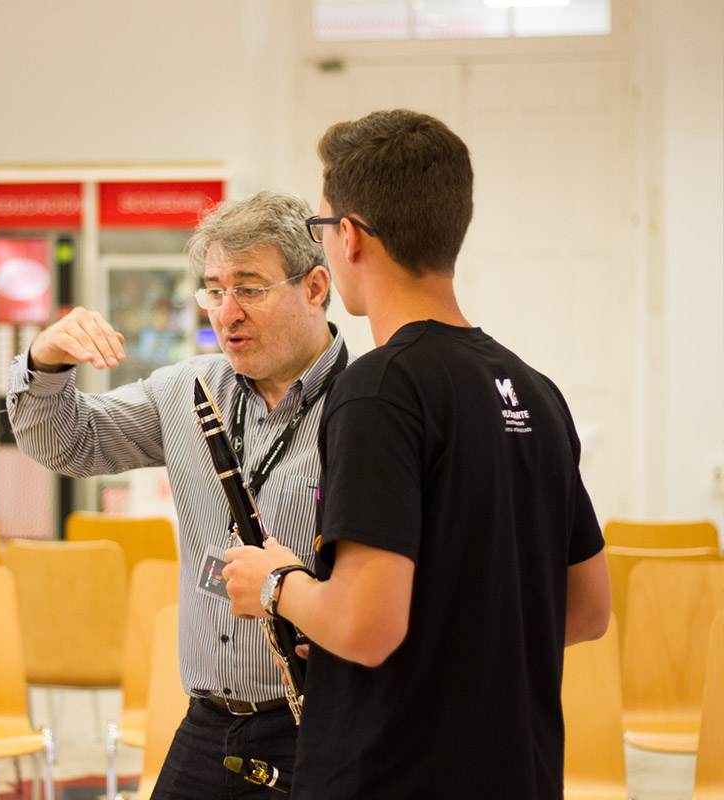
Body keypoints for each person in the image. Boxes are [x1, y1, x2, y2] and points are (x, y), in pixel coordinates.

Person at [223, 110, 612, 799]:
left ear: (348, 236)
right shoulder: (536, 389)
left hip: (394, 773)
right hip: (516, 770)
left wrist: (278, 584)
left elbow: (368, 628)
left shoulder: (379, 388)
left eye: (321, 228)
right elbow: (585, 612)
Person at [5, 189, 349, 799]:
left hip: (319, 722)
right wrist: (45, 360)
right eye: (214, 290)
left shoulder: (370, 405)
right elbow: (66, 444)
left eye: (249, 288)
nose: (227, 312)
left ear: (316, 286)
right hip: (207, 721)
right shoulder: (186, 388)